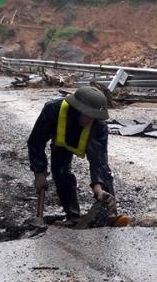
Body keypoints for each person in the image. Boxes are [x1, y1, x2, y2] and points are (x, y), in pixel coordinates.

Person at [27, 86, 118, 225]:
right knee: (61, 173)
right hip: (61, 145)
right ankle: (73, 216)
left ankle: (109, 213)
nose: (91, 120)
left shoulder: (99, 125)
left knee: (105, 174)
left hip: (87, 144)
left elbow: (98, 159)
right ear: (77, 110)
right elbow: (36, 142)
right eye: (88, 115)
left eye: (95, 116)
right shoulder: (52, 111)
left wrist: (98, 187)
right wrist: (39, 173)